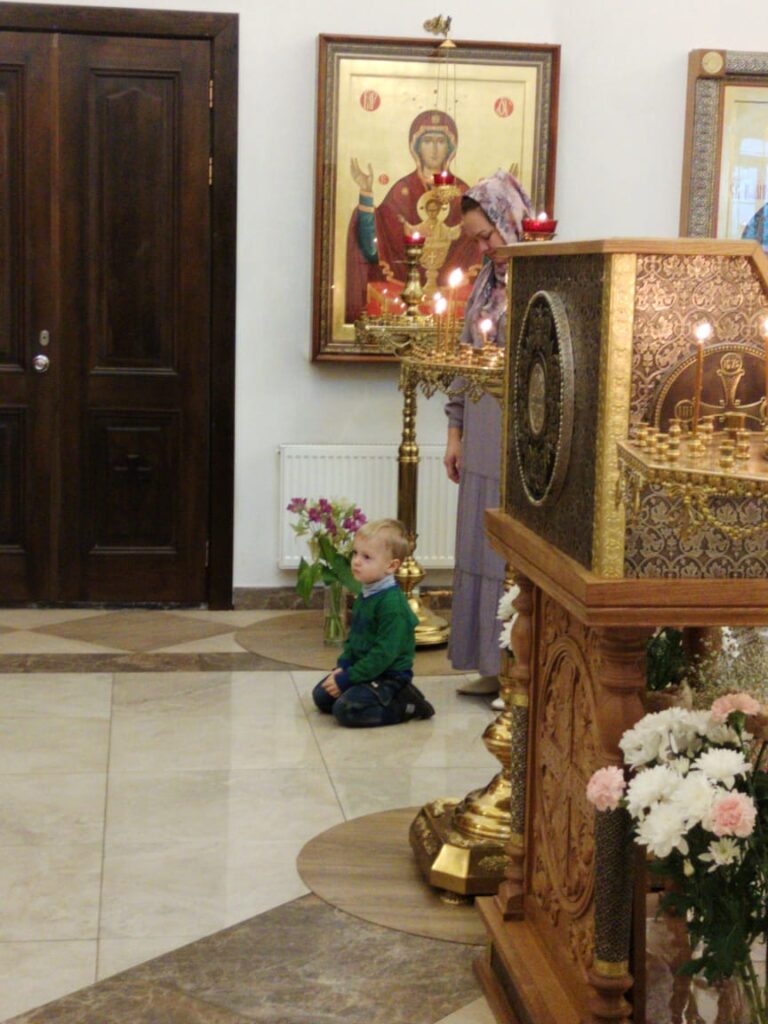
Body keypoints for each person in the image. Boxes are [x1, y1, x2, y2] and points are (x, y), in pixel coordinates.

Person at [443, 170, 533, 697]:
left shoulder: (543, 280)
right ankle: (488, 664)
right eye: (476, 240)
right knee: (478, 549)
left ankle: (517, 669)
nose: (483, 247)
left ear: (509, 219)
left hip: (519, 440)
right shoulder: (485, 284)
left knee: (509, 555)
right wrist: (454, 433)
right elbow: (464, 359)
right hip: (479, 433)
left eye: (486, 235)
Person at [345, 109, 478, 323]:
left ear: (450, 148)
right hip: (404, 289)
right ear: (416, 147)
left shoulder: (461, 191)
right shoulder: (402, 190)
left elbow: (478, 242)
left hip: (451, 292)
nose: (434, 149)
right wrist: (366, 193)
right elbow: (373, 247)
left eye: (440, 142)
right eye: (427, 142)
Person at [312, 518, 435, 727]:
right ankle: (363, 690)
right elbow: (355, 638)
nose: (356, 561)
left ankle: (406, 704)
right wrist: (344, 666)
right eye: (355, 553)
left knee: (347, 711)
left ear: (391, 566)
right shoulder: (366, 594)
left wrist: (350, 678)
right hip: (365, 669)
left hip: (388, 676)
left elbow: (383, 655)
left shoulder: (392, 606)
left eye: (366, 557)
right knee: (322, 697)